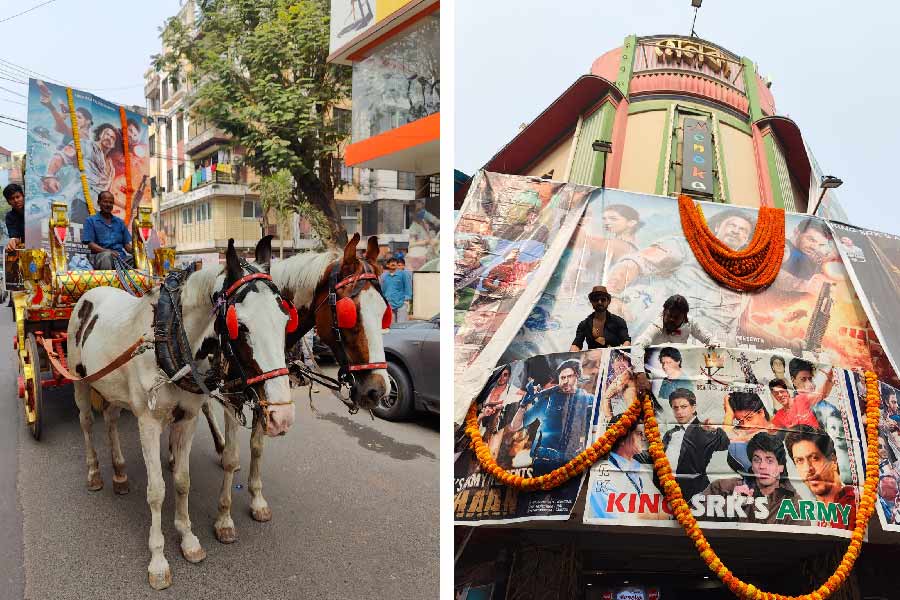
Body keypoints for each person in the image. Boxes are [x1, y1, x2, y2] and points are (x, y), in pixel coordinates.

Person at [606, 208, 805, 352]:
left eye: (743, 230)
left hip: (713, 354)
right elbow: (634, 263)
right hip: (666, 341)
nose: (736, 230)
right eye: (731, 225)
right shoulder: (687, 247)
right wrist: (612, 295)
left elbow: (743, 324)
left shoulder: (745, 279)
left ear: (747, 240)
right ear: (717, 226)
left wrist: (786, 343)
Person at [701, 431, 805, 525]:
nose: (762, 466)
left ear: (781, 467)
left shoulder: (794, 504)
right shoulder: (722, 487)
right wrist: (729, 506)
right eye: (757, 460)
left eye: (769, 460)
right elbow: (690, 523)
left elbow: (801, 540)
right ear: (752, 465)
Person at [511, 358, 594, 476]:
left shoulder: (590, 400)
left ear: (577, 376)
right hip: (544, 462)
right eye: (562, 377)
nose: (565, 381)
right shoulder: (547, 399)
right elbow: (515, 426)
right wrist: (523, 405)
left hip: (575, 463)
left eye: (569, 376)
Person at [632, 294, 717, 398]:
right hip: (656, 371)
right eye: (669, 316)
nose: (671, 319)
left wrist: (714, 345)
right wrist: (640, 373)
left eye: (676, 317)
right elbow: (637, 346)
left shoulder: (690, 323)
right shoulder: (656, 326)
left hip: (679, 373)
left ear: (684, 317)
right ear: (664, 312)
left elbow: (709, 338)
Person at [785, 424, 857, 530]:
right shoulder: (819, 518)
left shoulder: (856, 500)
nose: (808, 468)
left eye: (815, 458)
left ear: (833, 460)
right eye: (799, 461)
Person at [662, 388, 729, 500]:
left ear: (693, 408)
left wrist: (713, 431)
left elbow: (724, 443)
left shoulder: (704, 428)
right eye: (675, 408)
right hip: (668, 491)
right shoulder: (670, 433)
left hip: (696, 493)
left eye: (684, 407)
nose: (679, 412)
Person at [587, 414, 653, 519]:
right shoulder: (602, 474)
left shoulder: (638, 467)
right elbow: (616, 517)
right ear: (622, 439)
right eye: (639, 434)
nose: (644, 438)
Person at [722, 391, 776, 473]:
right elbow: (724, 439)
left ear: (761, 412)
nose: (746, 425)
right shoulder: (738, 443)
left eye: (749, 418)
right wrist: (729, 414)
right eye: (740, 421)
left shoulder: (779, 427)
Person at [82, 191, 133, 269]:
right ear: (99, 203)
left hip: (120, 257)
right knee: (106, 256)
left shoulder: (119, 222)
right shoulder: (91, 220)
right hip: (100, 256)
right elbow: (90, 244)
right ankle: (108, 281)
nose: (108, 205)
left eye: (110, 202)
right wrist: (108, 251)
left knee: (137, 260)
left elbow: (126, 245)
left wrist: (138, 253)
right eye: (105, 202)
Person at [570, 285, 630, 350]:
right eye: (596, 299)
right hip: (592, 359)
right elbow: (576, 344)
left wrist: (621, 355)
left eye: (603, 299)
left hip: (613, 358)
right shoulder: (584, 324)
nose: (599, 302)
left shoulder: (618, 321)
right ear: (591, 302)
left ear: (608, 301)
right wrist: (571, 353)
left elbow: (626, 341)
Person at [380, 256, 413, 322]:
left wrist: (406, 300)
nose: (393, 264)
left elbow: (408, 287)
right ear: (387, 265)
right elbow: (382, 290)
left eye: (394, 262)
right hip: (389, 304)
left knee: (401, 325)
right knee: (391, 325)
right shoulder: (383, 276)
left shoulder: (403, 274)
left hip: (401, 303)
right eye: (391, 262)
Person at [3, 183, 25, 251]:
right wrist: (13, 241)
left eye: (18, 197)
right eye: (12, 199)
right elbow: (15, 237)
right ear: (8, 202)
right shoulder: (9, 217)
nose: (16, 200)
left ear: (23, 196)